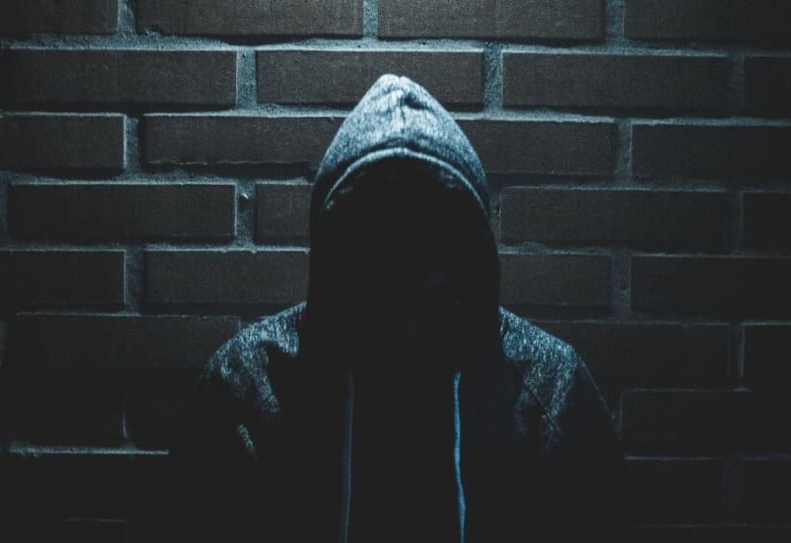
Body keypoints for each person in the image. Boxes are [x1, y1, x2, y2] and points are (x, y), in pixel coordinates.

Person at [165, 74, 628, 542]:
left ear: (467, 254)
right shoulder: (247, 384)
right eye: (382, 242)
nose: (408, 273)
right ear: (340, 253)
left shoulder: (550, 387)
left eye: (429, 239)